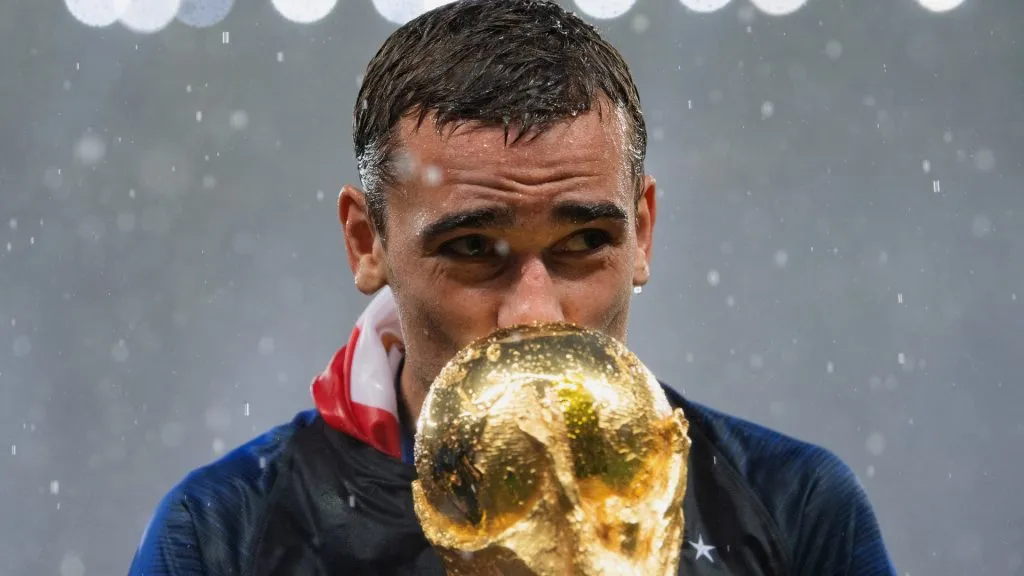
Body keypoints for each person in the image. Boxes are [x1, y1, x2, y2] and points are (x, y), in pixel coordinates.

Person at [129, 0, 897, 574]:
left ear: (644, 232)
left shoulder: (794, 509)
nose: (534, 312)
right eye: (472, 250)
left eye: (583, 244)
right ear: (368, 242)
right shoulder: (224, 533)